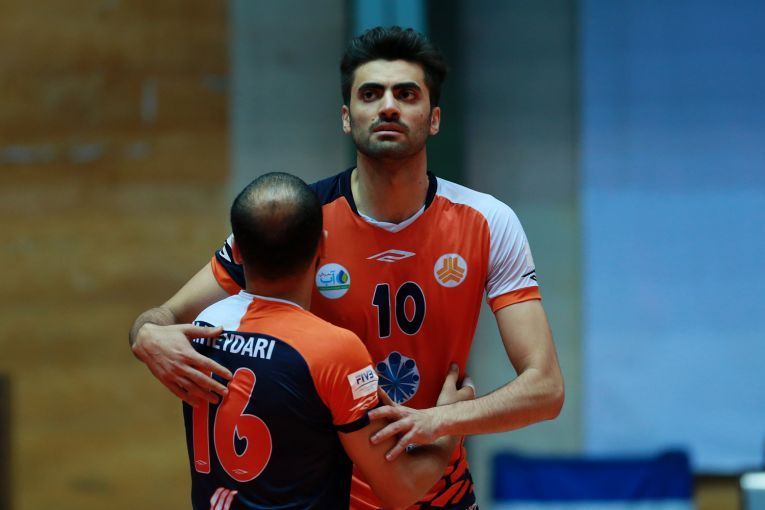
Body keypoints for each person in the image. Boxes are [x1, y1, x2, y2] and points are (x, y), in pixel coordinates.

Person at [130, 26, 564, 510]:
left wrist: (439, 420)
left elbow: (545, 389)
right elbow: (164, 316)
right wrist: (146, 335)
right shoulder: (298, 216)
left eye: (406, 94)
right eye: (370, 94)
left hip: (443, 491)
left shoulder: (488, 220)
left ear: (434, 118)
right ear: (346, 117)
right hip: (334, 498)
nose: (388, 107)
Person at [182, 172, 470, 509]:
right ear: (322, 244)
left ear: (237, 251)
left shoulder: (202, 327)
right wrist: (449, 421)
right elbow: (401, 488)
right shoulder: (334, 350)